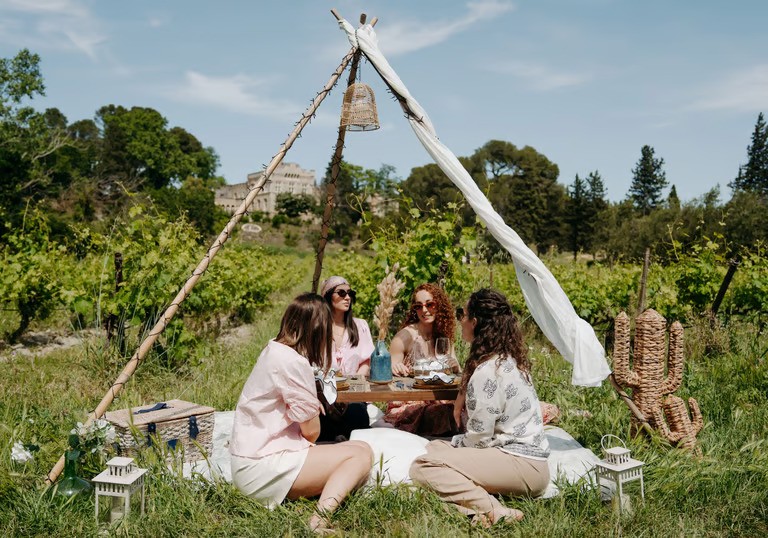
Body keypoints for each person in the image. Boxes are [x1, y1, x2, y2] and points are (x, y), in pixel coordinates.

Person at [229, 292, 373, 533]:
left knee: (360, 446)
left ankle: (317, 496)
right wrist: (312, 411)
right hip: (260, 469)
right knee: (360, 457)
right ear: (318, 329)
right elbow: (312, 432)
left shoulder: (274, 349)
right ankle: (318, 520)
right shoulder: (294, 363)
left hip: (249, 458)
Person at [409, 288, 550, 527]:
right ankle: (472, 512)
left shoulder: (487, 372)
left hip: (521, 465)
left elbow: (479, 440)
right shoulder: (508, 360)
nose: (460, 319)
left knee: (423, 466)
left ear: (474, 322)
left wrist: (452, 445)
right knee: (434, 446)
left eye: (463, 314)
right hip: (531, 463)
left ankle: (492, 509)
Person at [385, 283, 460, 436]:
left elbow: (456, 371)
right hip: (410, 403)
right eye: (419, 306)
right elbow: (387, 372)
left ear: (439, 306)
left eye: (430, 304)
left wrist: (455, 367)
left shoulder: (443, 336)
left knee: (458, 410)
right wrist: (394, 368)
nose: (424, 310)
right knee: (443, 413)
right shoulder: (405, 336)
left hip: (440, 399)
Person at [318, 275, 375, 442]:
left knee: (356, 413)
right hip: (324, 393)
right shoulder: (317, 327)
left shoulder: (360, 326)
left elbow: (366, 362)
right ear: (328, 297)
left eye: (350, 293)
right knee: (322, 418)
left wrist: (351, 391)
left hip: (353, 393)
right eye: (341, 293)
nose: (347, 297)